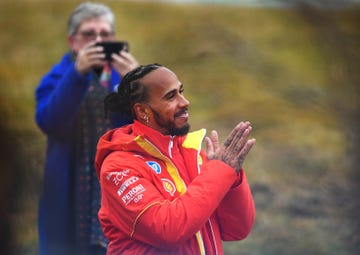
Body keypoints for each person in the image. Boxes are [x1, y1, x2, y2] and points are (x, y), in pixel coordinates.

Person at [95, 63, 256, 255]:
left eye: (181, 91)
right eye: (171, 96)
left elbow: (236, 229)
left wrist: (231, 176)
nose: (185, 102)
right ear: (143, 111)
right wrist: (218, 173)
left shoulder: (190, 152)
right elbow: (168, 229)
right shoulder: (118, 167)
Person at [34, 2, 139, 255]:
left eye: (105, 34)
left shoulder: (121, 76)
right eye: (89, 34)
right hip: (69, 185)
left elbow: (144, 129)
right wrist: (77, 73)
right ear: (73, 41)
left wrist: (137, 84)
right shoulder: (57, 77)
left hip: (114, 184)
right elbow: (49, 121)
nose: (98, 40)